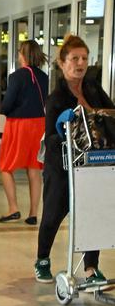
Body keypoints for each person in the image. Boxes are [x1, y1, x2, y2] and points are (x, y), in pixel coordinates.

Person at [35, 35, 114, 284]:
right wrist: (63, 134)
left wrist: (98, 113)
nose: (80, 63)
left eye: (84, 58)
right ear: (62, 62)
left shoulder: (92, 88)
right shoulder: (56, 98)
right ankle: (42, 260)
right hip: (62, 166)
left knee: (93, 215)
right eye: (74, 59)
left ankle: (91, 269)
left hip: (92, 164)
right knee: (52, 216)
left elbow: (111, 112)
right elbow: (49, 138)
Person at [0, 40, 48, 225]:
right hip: (39, 125)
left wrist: (3, 110)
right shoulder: (44, 76)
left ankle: (13, 208)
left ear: (23, 54)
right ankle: (33, 214)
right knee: (34, 169)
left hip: (18, 125)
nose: (18, 56)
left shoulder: (16, 76)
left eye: (19, 53)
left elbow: (7, 104)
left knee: (5, 166)